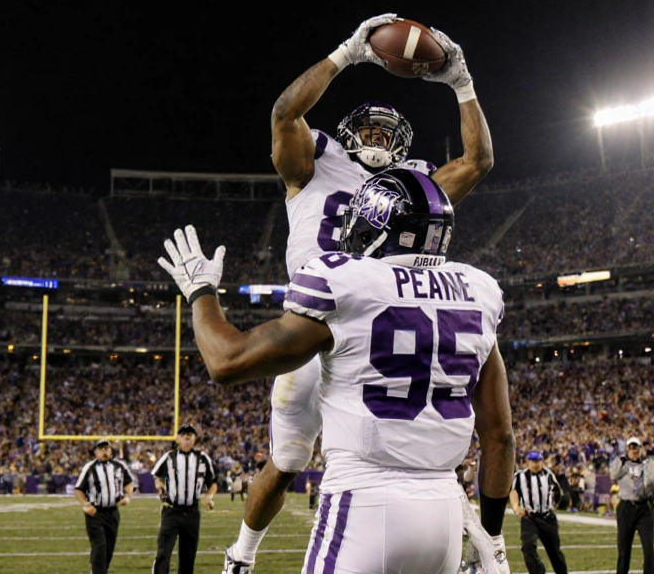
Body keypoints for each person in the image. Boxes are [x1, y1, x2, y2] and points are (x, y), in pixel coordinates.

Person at [223, 12, 494, 574]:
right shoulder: (314, 164)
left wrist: (462, 84)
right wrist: (348, 53)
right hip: (313, 321)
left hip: (373, 326)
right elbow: (285, 113)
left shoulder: (413, 185)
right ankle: (242, 553)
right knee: (290, 457)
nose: (375, 141)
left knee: (416, 446)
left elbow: (478, 161)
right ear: (347, 138)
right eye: (366, 132)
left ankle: (457, 531)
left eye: (383, 135)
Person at [157, 168, 515, 574]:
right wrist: (493, 537)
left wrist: (201, 292)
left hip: (363, 499)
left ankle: (240, 556)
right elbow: (500, 436)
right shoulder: (478, 291)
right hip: (446, 513)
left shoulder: (346, 281)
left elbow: (226, 362)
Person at [151, 424, 218, 574]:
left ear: (195, 438)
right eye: (184, 434)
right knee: (164, 551)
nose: (187, 436)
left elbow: (212, 482)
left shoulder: (202, 458)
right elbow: (157, 476)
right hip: (171, 510)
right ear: (178, 438)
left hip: (192, 512)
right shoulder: (169, 457)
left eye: (190, 434)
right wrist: (161, 487)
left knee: (188, 554)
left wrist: (209, 497)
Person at [74, 440, 135, 574]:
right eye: (101, 449)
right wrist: (86, 504)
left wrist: (127, 496)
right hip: (95, 512)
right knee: (99, 545)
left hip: (113, 512)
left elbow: (129, 482)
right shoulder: (89, 468)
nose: (105, 451)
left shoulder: (120, 466)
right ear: (95, 452)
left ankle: (98, 570)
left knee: (109, 547)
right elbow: (78, 489)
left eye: (107, 448)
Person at [510, 452, 568, 574]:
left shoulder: (548, 475)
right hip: (529, 518)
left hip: (547, 517)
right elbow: (514, 491)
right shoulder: (520, 476)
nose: (536, 464)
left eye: (538, 461)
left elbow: (557, 491)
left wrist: (554, 505)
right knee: (528, 547)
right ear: (528, 462)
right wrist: (516, 507)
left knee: (554, 552)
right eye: (533, 461)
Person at [611, 437, 654, 574]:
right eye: (631, 448)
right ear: (627, 449)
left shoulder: (647, 462)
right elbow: (613, 476)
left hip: (644, 507)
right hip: (626, 506)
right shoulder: (621, 462)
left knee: (649, 549)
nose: (634, 451)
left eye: (636, 447)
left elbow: (651, 483)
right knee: (624, 549)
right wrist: (623, 463)